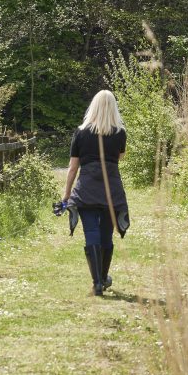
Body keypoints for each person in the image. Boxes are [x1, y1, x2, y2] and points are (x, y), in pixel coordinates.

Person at [61, 90, 129, 296]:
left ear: (93, 106)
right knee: (107, 233)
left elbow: (73, 168)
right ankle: (102, 277)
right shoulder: (120, 133)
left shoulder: (81, 133)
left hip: (87, 189)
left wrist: (66, 196)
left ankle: (98, 282)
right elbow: (120, 158)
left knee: (91, 232)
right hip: (111, 190)